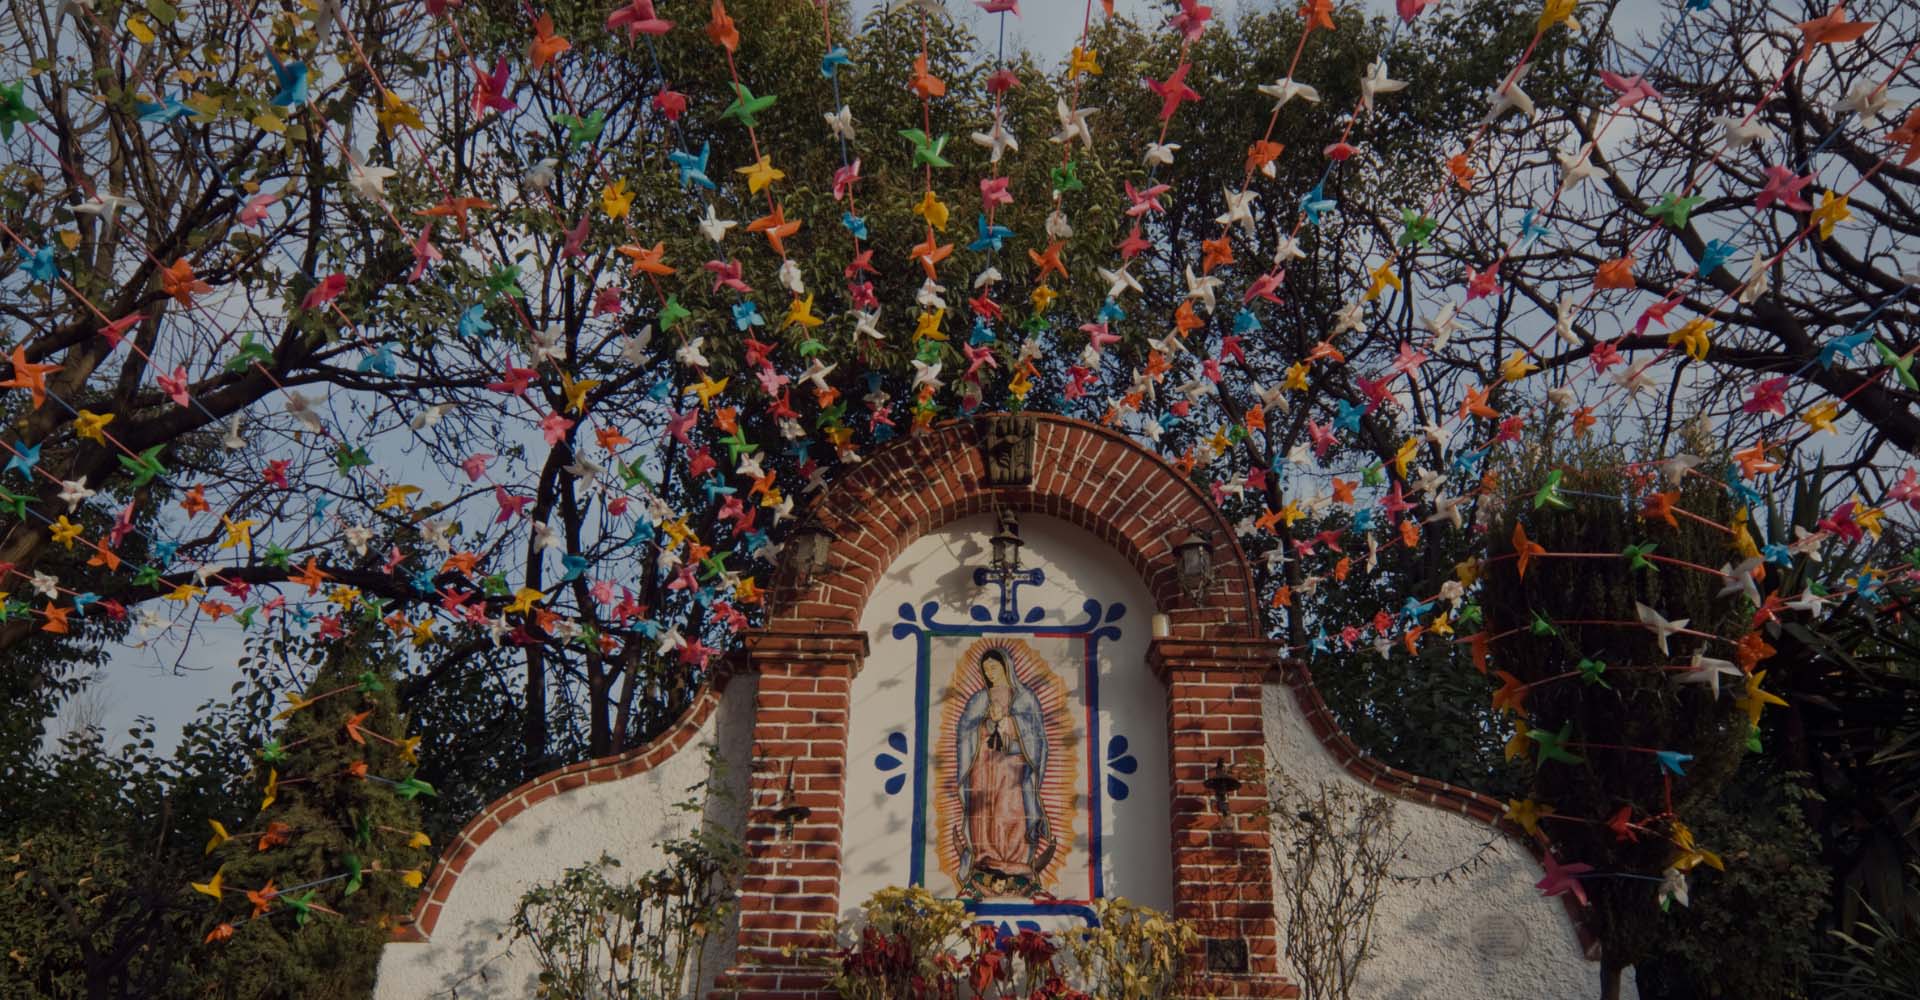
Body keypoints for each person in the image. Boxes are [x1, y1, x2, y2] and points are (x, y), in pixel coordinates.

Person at [954, 648, 1050, 897]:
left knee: (1010, 810)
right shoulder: (978, 700)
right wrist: (987, 724)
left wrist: (1008, 723)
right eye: (986, 670)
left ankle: (1016, 861)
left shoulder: (1025, 698)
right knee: (985, 811)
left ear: (1006, 667)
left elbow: (1036, 738)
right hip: (984, 767)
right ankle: (987, 858)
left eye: (994, 668)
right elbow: (965, 731)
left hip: (1012, 766)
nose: (990, 673)